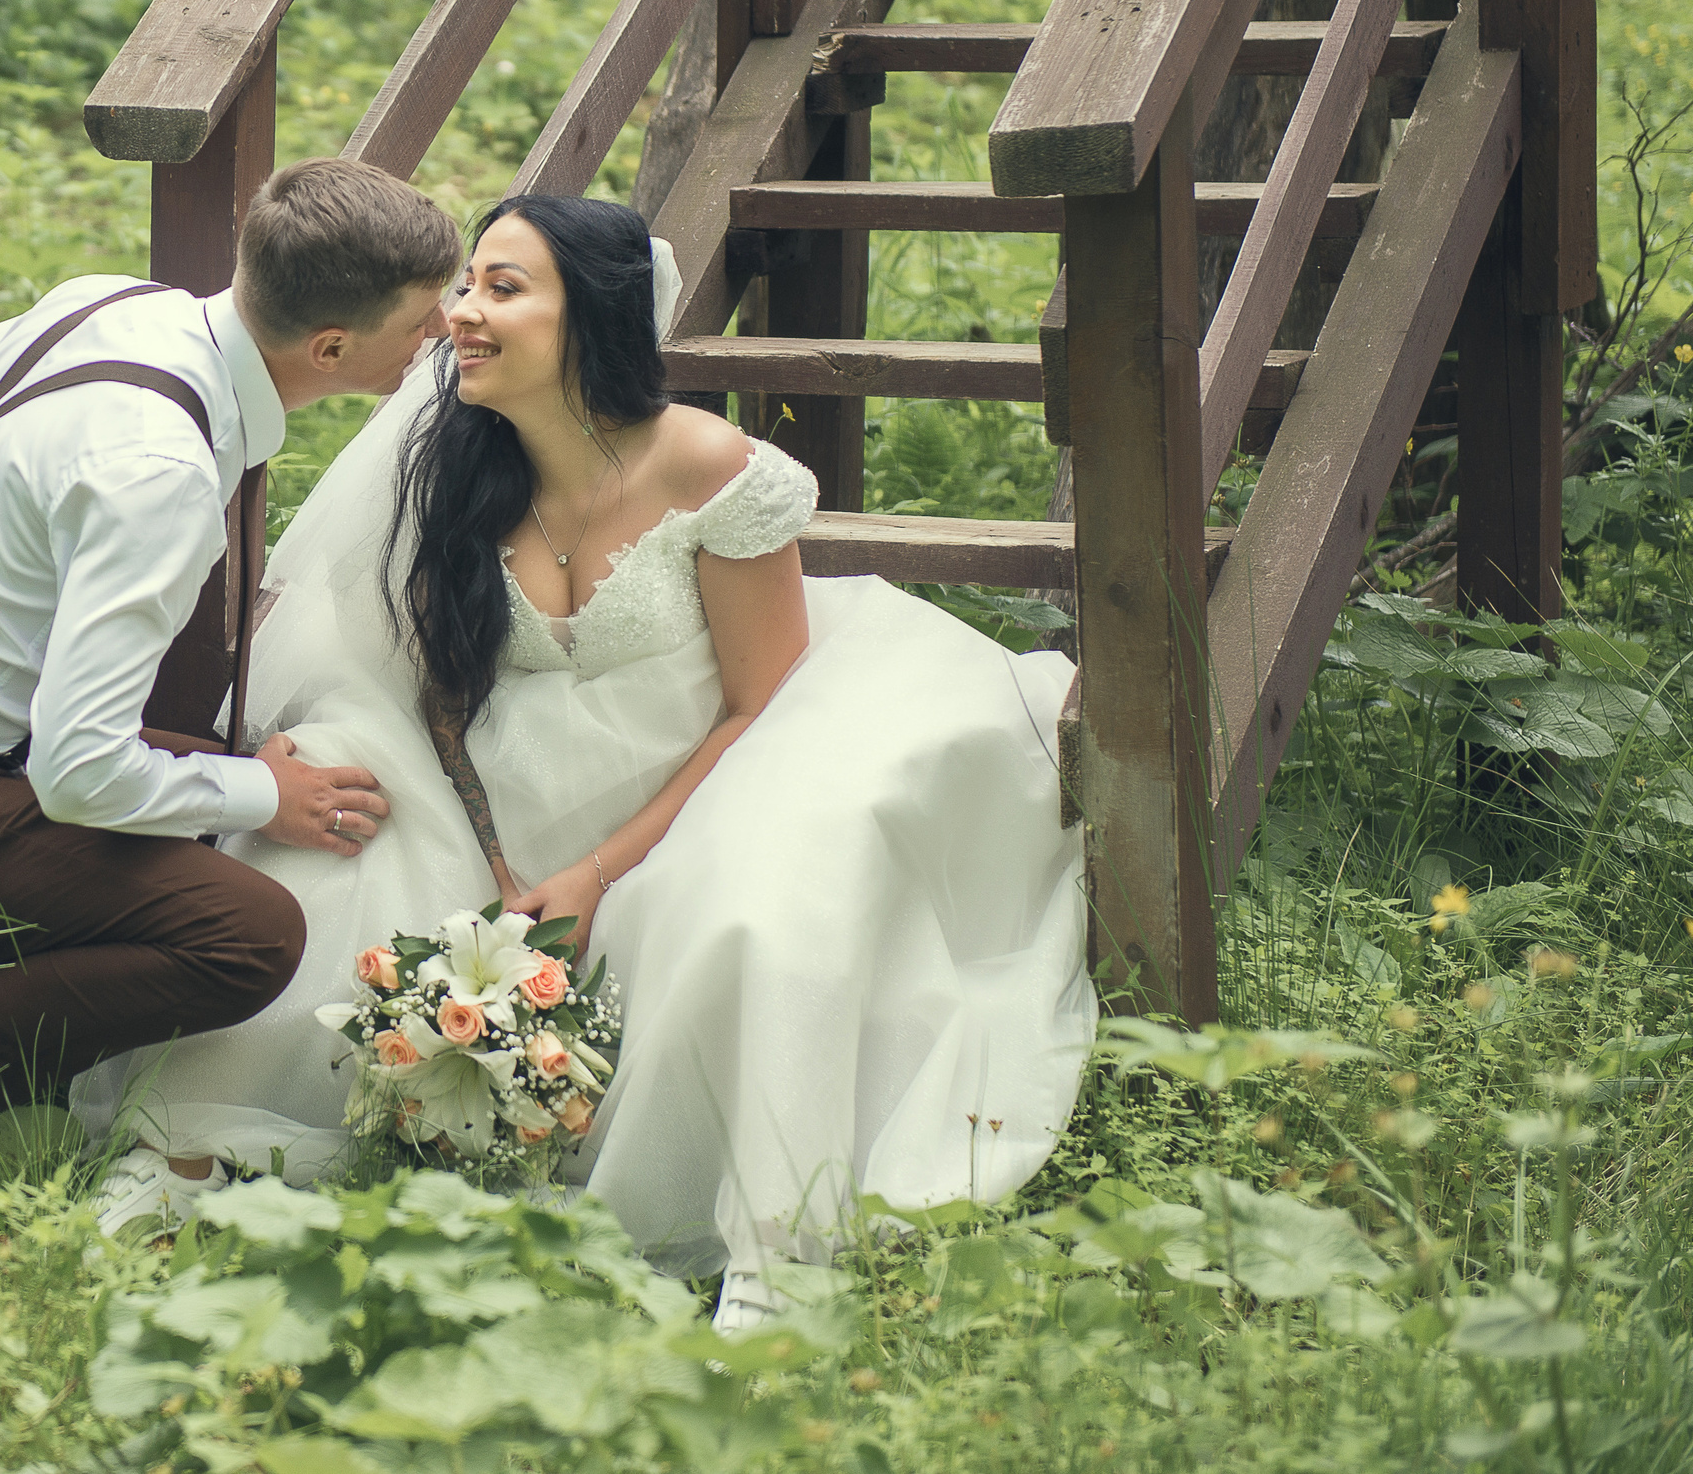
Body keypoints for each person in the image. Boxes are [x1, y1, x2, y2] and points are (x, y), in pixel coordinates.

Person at [73, 195, 1095, 1327]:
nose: (460, 311)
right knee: (338, 819)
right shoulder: (457, 467)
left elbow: (761, 702)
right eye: (467, 283)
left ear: (590, 316)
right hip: (517, 790)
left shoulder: (705, 464)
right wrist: (498, 862)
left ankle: (770, 1257)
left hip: (717, 764)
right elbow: (442, 701)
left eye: (503, 288)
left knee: (751, 913)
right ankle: (184, 1151)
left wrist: (601, 873)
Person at [0, 157, 464, 1227]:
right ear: (329, 351)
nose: (445, 331)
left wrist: (7, 560)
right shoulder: (158, 473)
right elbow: (80, 775)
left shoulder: (112, 303)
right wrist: (267, 797)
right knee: (248, 932)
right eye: (423, 317)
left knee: (209, 773)